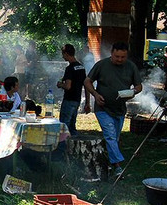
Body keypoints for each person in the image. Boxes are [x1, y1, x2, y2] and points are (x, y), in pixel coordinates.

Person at [83, 42, 143, 176]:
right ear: (112, 53)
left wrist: (133, 91)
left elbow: (139, 86)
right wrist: (95, 94)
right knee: (110, 135)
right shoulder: (101, 65)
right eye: (117, 56)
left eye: (123, 57)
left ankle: (107, 160)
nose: (120, 59)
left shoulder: (131, 67)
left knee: (114, 138)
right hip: (102, 108)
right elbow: (87, 81)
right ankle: (118, 166)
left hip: (120, 109)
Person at [56, 44, 88, 135]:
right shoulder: (81, 67)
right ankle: (74, 144)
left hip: (69, 99)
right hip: (77, 100)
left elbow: (68, 86)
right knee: (72, 126)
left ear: (66, 53)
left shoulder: (69, 68)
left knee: (64, 126)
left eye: (63, 54)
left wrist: (60, 84)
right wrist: (87, 102)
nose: (62, 57)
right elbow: (86, 85)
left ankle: (63, 147)